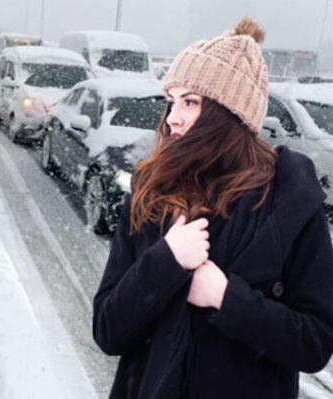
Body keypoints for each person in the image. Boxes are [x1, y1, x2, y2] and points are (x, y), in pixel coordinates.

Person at [92, 17, 333, 399]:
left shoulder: (290, 203)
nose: (172, 117)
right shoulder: (151, 192)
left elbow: (315, 343)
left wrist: (227, 298)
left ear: (229, 113)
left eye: (191, 101)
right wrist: (165, 261)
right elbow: (108, 330)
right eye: (171, 101)